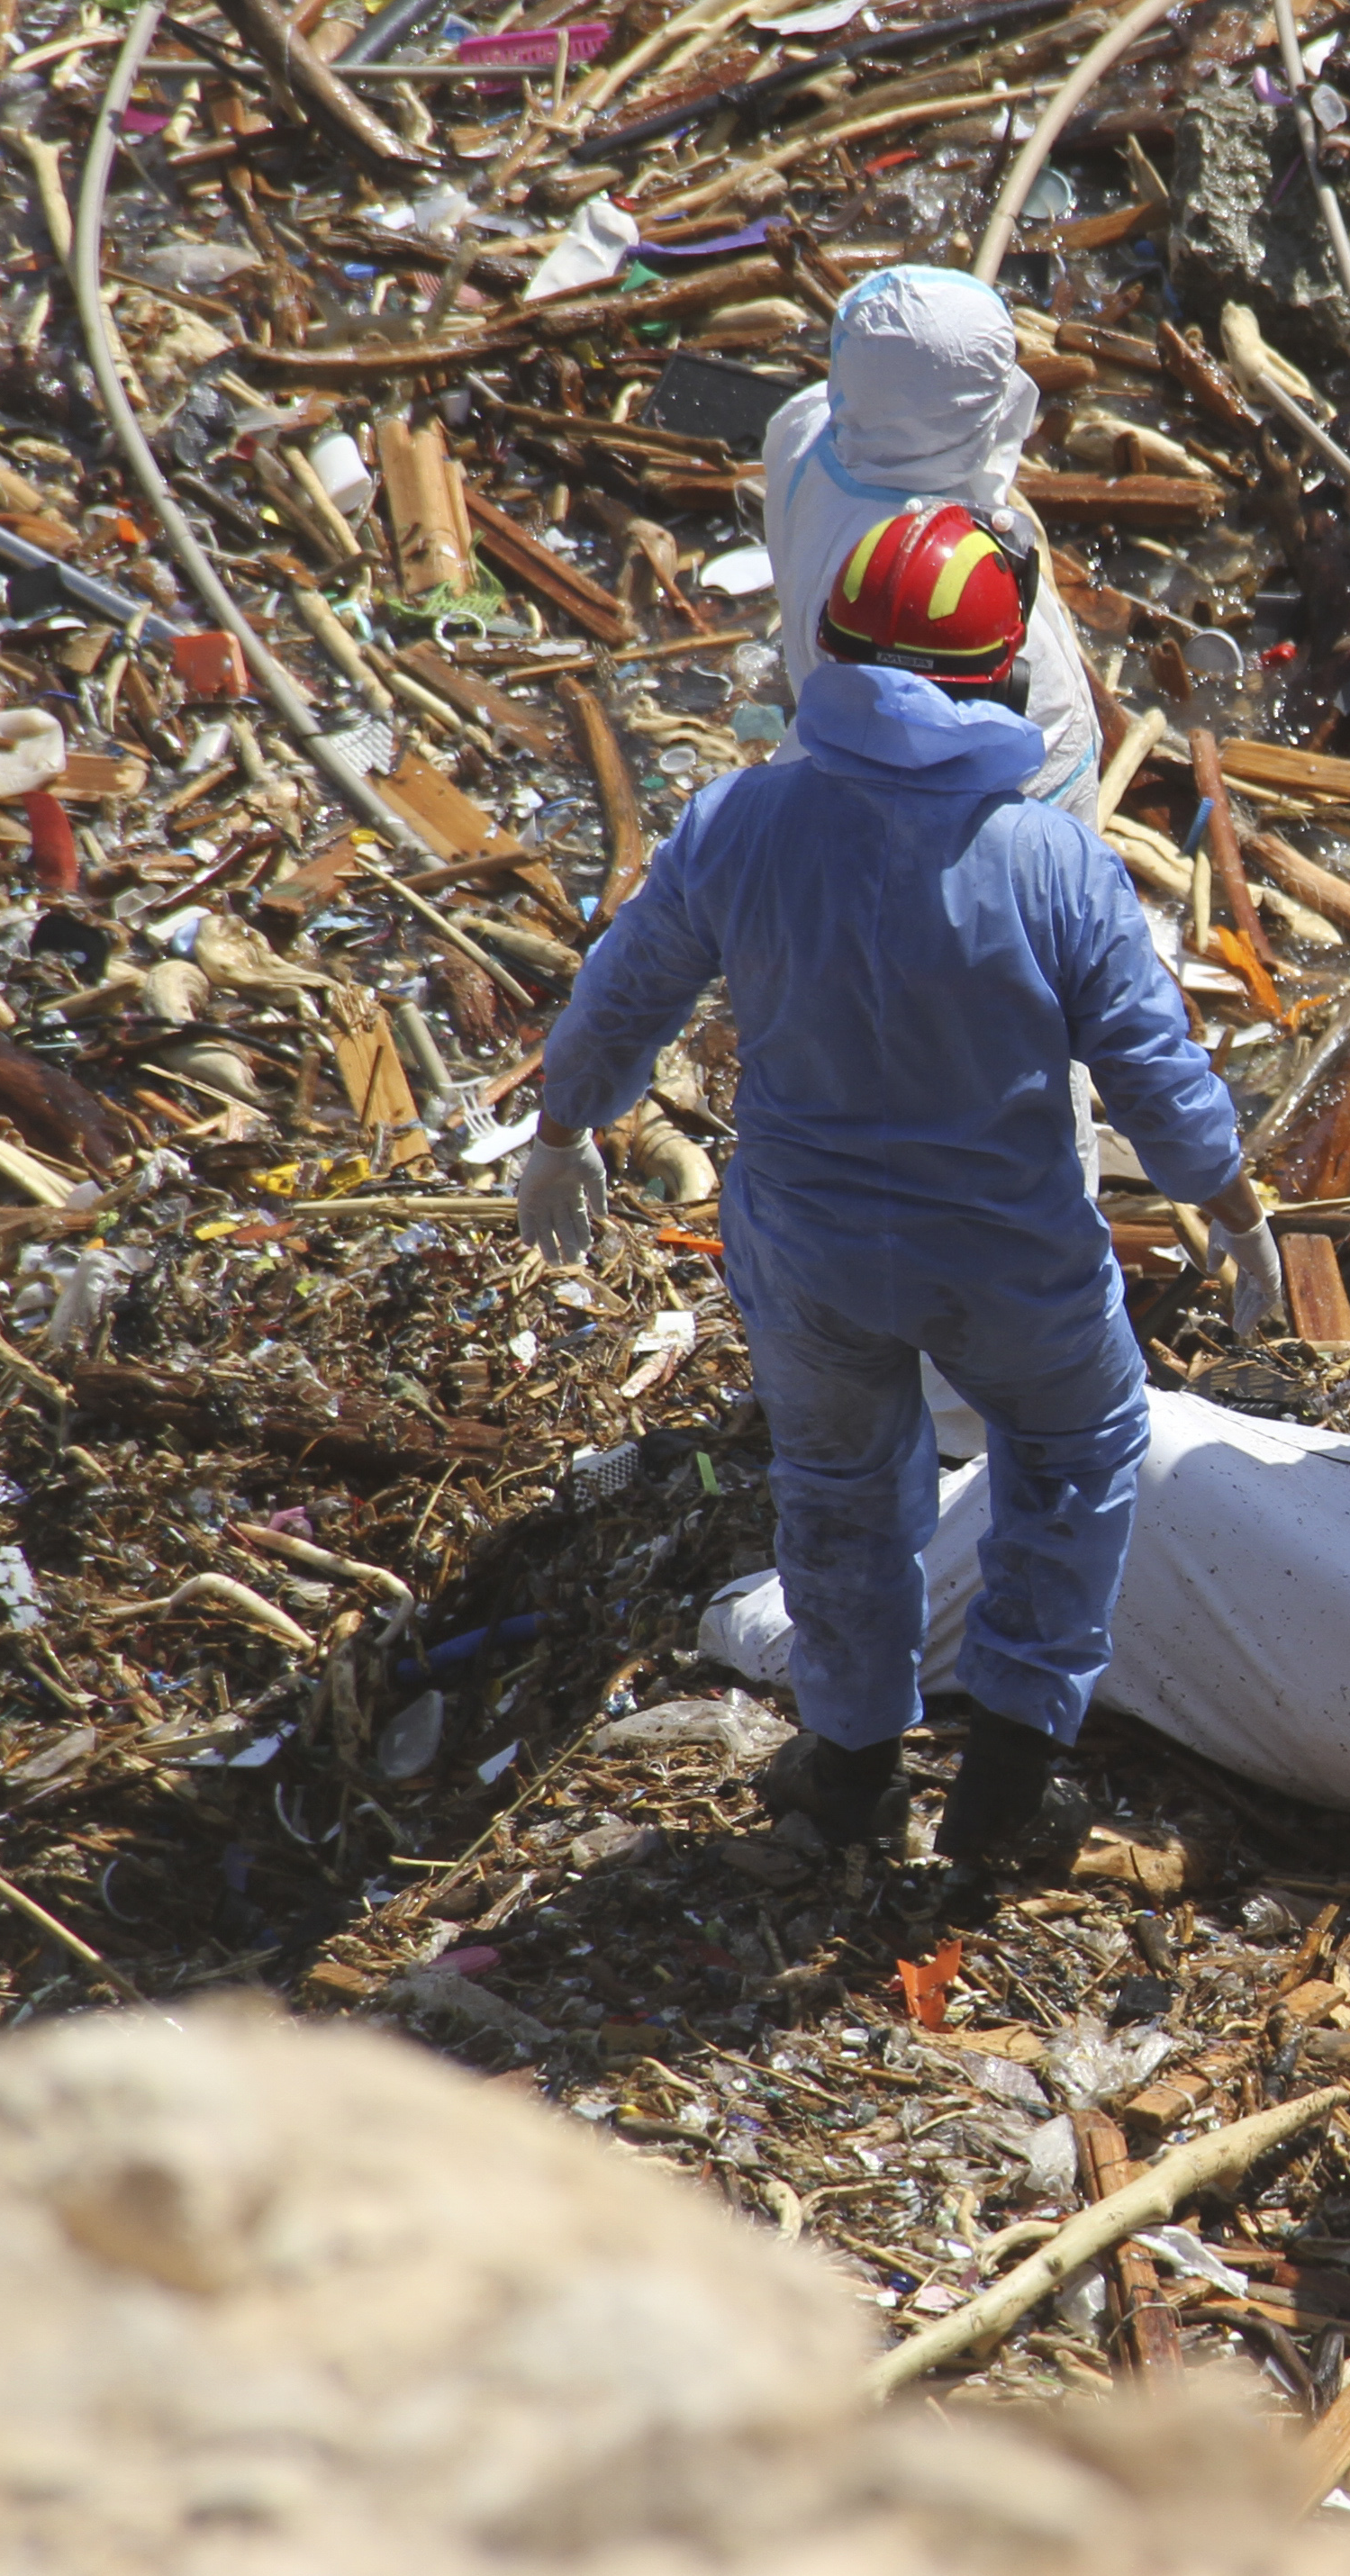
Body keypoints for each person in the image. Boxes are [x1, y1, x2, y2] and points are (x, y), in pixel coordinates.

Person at [516, 500, 1282, 1865]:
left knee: (839, 1487)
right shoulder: (1050, 858)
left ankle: (853, 1767)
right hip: (1011, 1260)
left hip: (809, 1255)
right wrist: (1230, 1206)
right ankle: (1007, 1776)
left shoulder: (743, 821)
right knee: (1078, 1453)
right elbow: (1157, 1070)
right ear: (1003, 675)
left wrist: (564, 1128)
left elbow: (623, 995)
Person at [762, 264, 1102, 824]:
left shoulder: (801, 440)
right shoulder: (947, 554)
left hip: (839, 755)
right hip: (992, 816)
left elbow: (885, 392)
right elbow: (1045, 744)